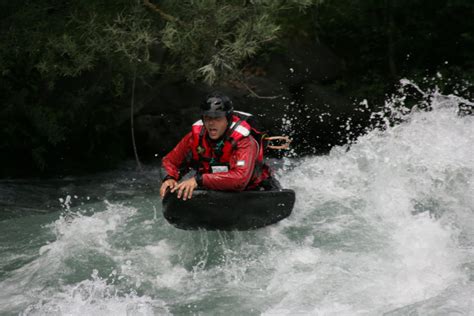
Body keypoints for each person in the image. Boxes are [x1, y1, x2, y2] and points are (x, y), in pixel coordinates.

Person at [159, 92, 275, 200]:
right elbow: (169, 161)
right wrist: (169, 178)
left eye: (217, 118)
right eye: (208, 118)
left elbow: (240, 179)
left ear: (228, 119)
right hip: (211, 189)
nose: (211, 123)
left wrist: (199, 180)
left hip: (254, 190)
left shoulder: (244, 141)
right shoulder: (194, 137)